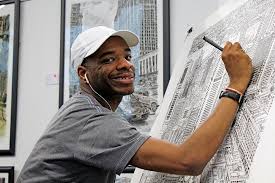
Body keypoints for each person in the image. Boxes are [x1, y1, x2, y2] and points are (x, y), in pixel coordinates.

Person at [17, 26, 252, 183]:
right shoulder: (90, 120)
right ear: (82, 73)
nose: (125, 65)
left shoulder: (84, 107)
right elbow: (189, 160)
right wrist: (237, 83)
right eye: (108, 59)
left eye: (127, 57)